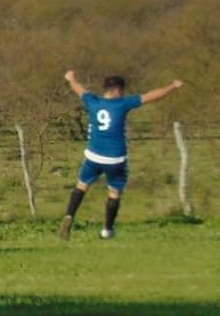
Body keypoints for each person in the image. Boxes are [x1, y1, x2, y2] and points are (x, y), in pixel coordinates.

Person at [59, 70, 183, 241]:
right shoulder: (122, 103)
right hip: (115, 158)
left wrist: (71, 78)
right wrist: (172, 87)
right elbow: (151, 96)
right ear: (117, 90)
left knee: (81, 186)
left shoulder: (92, 101)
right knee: (114, 193)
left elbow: (79, 88)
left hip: (94, 156)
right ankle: (107, 230)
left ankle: (69, 217)